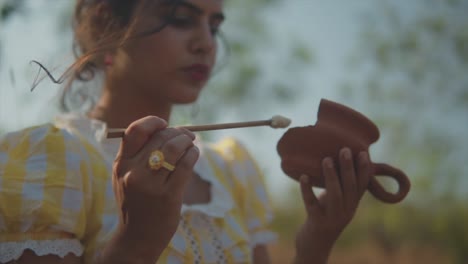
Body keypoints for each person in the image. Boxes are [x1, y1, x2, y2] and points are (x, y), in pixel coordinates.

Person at [0, 0, 372, 263]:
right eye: (180, 18)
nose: (206, 43)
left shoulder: (231, 170)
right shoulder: (52, 164)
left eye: (214, 26)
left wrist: (315, 244)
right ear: (105, 25)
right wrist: (137, 243)